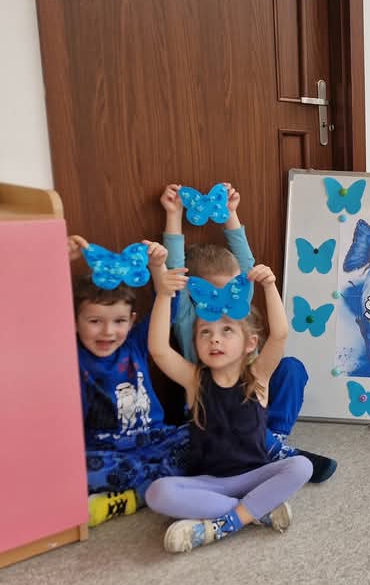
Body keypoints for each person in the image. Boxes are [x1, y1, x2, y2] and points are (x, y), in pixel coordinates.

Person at [160, 183, 336, 482]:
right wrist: (173, 215)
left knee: (292, 368)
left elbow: (247, 267)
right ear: (195, 292)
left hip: (253, 393)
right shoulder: (188, 317)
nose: (225, 301)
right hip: (212, 400)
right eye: (214, 293)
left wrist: (230, 213)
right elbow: (175, 270)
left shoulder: (240, 306)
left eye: (231, 290)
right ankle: (266, 447)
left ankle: (273, 440)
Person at [144, 257, 313, 553]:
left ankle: (225, 523)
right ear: (196, 343)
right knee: (157, 493)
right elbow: (159, 350)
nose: (215, 340)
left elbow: (280, 335)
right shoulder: (195, 381)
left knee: (301, 466)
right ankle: (254, 511)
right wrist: (163, 294)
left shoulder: (258, 377)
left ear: (250, 343)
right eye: (205, 332)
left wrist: (270, 286)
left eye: (227, 331)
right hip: (209, 481)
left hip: (254, 476)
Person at [70, 236, 192, 527]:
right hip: (106, 451)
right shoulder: (72, 354)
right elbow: (37, 315)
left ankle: (133, 497)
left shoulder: (135, 344)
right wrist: (61, 261)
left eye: (119, 321)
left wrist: (158, 266)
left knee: (205, 437)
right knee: (73, 470)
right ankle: (156, 486)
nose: (107, 332)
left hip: (155, 439)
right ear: (74, 321)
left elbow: (167, 308)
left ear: (132, 320)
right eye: (95, 321)